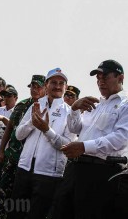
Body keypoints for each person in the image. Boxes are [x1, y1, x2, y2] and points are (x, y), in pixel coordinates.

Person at [52, 60, 128, 219]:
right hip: (75, 169)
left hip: (101, 172)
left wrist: (84, 147)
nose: (100, 82)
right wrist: (74, 109)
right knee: (61, 211)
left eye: (105, 77)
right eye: (98, 78)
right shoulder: (95, 104)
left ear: (120, 78)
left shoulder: (125, 104)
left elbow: (120, 138)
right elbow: (76, 129)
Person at [7, 68, 76, 219]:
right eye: (53, 82)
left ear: (65, 86)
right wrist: (32, 122)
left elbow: (67, 146)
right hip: (24, 168)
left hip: (49, 175)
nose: (57, 86)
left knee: (36, 214)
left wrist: (46, 130)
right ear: (46, 85)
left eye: (61, 83)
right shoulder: (35, 106)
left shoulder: (69, 113)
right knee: (15, 213)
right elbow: (18, 135)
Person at [0, 75, 46, 217]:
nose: (34, 90)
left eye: (38, 87)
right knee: (3, 188)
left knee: (21, 194)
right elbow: (10, 128)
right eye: (32, 86)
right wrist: (1, 150)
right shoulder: (22, 105)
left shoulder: (48, 107)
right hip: (12, 155)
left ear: (45, 88)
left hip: (30, 161)